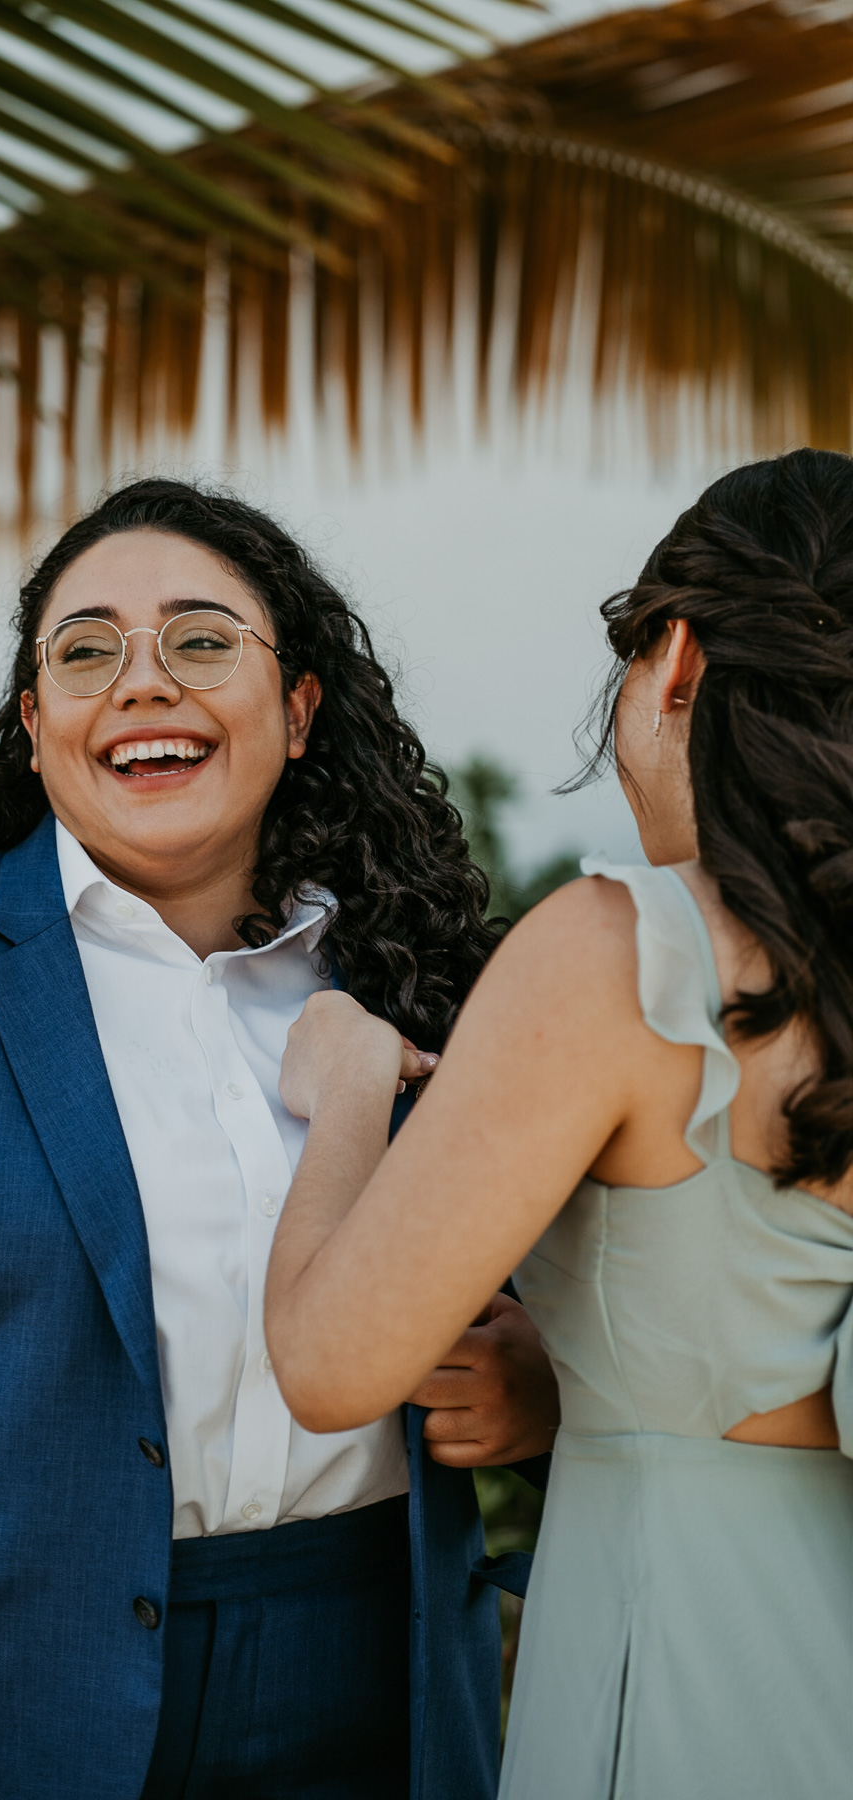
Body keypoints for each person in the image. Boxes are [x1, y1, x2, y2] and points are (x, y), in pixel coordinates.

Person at [0, 479, 557, 1800]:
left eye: (201, 640)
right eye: (87, 652)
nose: (144, 682)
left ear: (299, 709)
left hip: (373, 1688)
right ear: (35, 726)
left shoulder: (412, 987)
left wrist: (543, 1388)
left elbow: (590, 1317)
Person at [263, 447, 853, 1800]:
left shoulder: (623, 954)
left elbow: (332, 1362)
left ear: (679, 660)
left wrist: (352, 1084)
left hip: (694, 1706)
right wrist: (585, 1390)